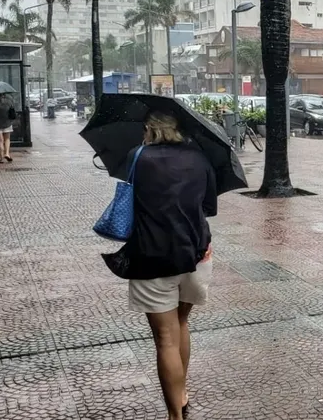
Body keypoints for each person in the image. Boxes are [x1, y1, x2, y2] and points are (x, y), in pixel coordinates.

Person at [104, 112, 217, 420]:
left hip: (151, 257)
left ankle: (174, 415)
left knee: (165, 338)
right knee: (181, 324)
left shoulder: (137, 157)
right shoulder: (200, 158)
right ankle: (180, 392)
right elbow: (209, 206)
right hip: (196, 254)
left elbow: (131, 200)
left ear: (148, 128)